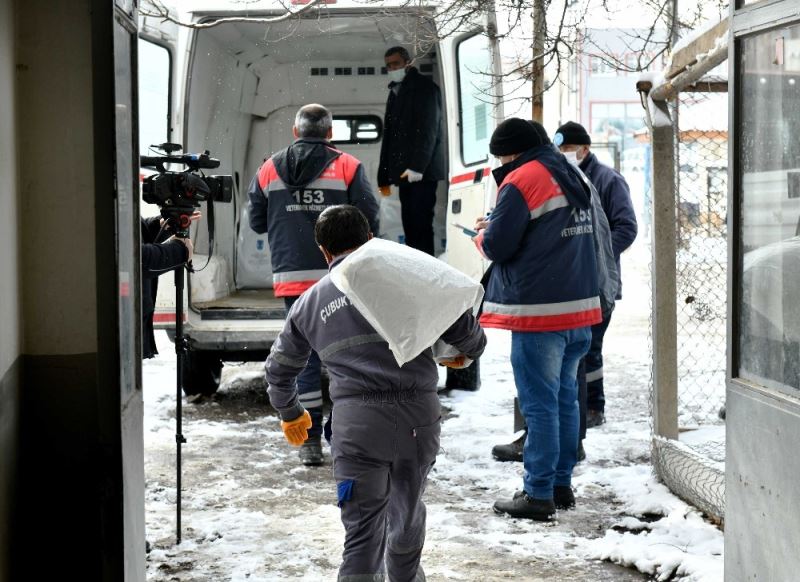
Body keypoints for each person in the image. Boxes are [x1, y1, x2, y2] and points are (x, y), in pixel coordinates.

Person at [265, 205, 486, 581]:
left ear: (323, 251)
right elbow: (470, 338)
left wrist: (291, 412)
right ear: (369, 239)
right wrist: (458, 350)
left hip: (358, 429)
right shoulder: (409, 278)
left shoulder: (310, 302)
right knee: (407, 521)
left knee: (362, 539)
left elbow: (279, 370)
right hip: (419, 420)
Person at [475, 118, 601, 520]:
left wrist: (482, 233)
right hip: (579, 307)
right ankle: (561, 485)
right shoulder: (571, 172)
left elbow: (497, 245)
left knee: (540, 405)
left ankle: (538, 493)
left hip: (540, 313)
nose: (502, 162)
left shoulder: (522, 179)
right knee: (565, 399)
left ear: (511, 152)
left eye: (501, 156)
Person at [248, 104, 380, 466]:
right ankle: (346, 436)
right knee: (347, 353)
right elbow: (369, 218)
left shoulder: (268, 167)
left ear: (295, 132)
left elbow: (257, 222)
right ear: (330, 133)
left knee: (301, 357)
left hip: (291, 277)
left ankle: (308, 443)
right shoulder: (348, 166)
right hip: (341, 275)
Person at [554, 121, 638, 429]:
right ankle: (578, 409)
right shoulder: (562, 178)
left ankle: (593, 407)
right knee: (575, 350)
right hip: (572, 284)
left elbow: (627, 228)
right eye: (559, 150)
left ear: (585, 148)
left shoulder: (607, 180)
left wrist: (595, 254)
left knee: (590, 349)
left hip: (599, 284)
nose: (564, 154)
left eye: (568, 149)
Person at [377, 46, 445, 256]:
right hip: (405, 174)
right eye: (388, 65)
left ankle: (426, 272)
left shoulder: (425, 88)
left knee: (421, 226)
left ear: (408, 63)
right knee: (411, 226)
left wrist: (417, 167)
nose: (392, 68)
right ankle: (417, 270)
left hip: (421, 173)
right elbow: (390, 136)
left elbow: (428, 131)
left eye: (395, 64)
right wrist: (384, 176)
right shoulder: (396, 91)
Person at [141, 216, 193, 359]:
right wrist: (180, 251)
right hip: (122, 323)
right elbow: (133, 257)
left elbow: (134, 232)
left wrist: (161, 225)